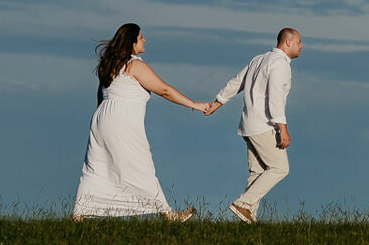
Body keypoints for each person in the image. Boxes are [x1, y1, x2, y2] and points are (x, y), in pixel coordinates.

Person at [72, 22, 218, 221]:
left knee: (96, 164)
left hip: (102, 118)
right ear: (132, 43)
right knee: (141, 163)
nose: (144, 40)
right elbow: (164, 90)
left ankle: (79, 214)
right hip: (122, 120)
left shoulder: (109, 66)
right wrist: (195, 104)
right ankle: (168, 214)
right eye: (141, 37)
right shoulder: (134, 65)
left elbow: (101, 94)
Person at [211, 27, 303, 223]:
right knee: (280, 168)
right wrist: (283, 128)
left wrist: (219, 101)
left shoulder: (259, 59)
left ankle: (248, 215)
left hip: (248, 125)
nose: (301, 46)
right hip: (264, 126)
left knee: (258, 171)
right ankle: (243, 204)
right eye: (298, 42)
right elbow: (275, 99)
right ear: (287, 42)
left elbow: (237, 82)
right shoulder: (279, 64)